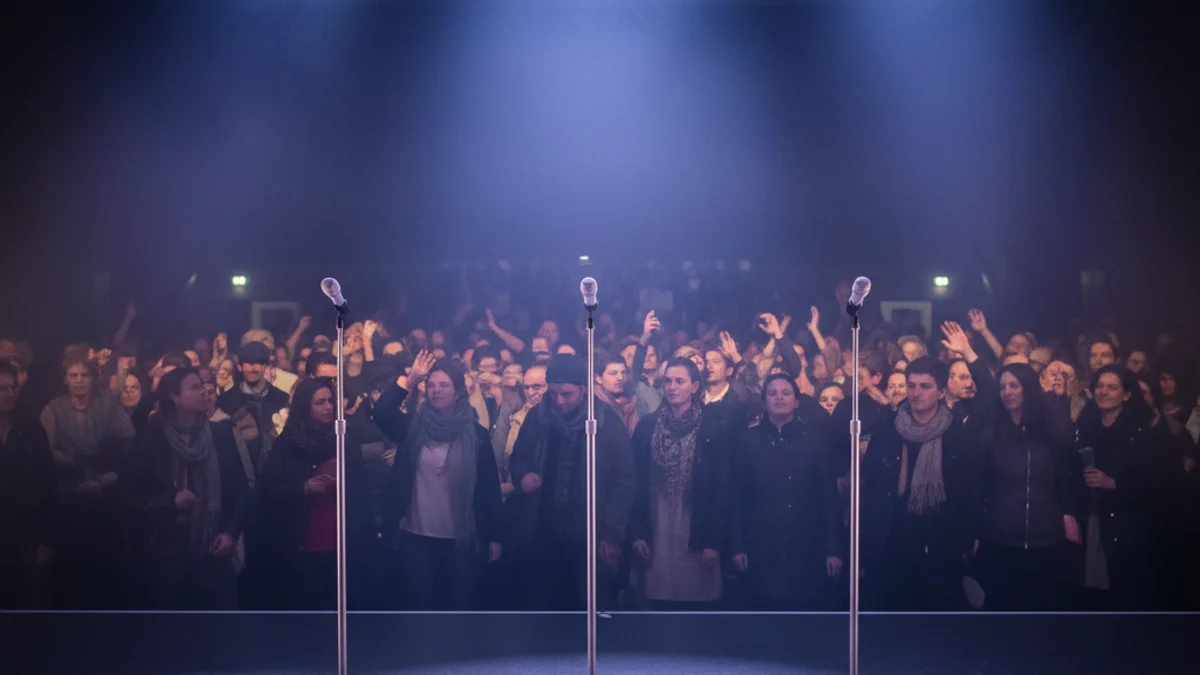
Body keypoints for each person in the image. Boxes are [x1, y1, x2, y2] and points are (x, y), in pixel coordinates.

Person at [860, 322, 996, 611]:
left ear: (942, 391)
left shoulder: (958, 433)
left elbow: (969, 491)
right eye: (911, 386)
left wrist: (964, 539)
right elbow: (870, 484)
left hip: (940, 545)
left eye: (925, 386)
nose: (916, 393)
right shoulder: (888, 427)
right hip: (891, 543)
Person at [373, 352, 505, 610]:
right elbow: (381, 413)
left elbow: (489, 487)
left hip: (462, 539)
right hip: (417, 536)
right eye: (431, 385)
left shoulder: (476, 434)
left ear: (457, 391)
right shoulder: (413, 426)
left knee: (458, 607)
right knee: (421, 606)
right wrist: (410, 380)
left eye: (444, 385)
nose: (436, 390)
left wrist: (496, 536)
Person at [506, 354, 636, 610]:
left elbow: (624, 480)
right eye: (553, 393)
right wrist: (523, 477)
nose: (559, 400)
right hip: (541, 531)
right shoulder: (537, 417)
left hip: (588, 534)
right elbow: (518, 457)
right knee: (541, 609)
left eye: (566, 394)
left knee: (584, 610)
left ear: (583, 389)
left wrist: (610, 533)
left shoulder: (606, 421)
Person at [124, 368, 247, 609]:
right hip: (166, 551)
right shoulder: (151, 438)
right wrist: (170, 501)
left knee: (219, 631)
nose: (203, 391)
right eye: (194, 387)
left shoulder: (221, 433)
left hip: (213, 546)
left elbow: (241, 489)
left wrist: (231, 533)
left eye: (202, 386)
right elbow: (126, 494)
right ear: (174, 396)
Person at [971, 364, 1080, 610]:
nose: (1007, 392)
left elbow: (1065, 477)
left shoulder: (1051, 432)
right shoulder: (991, 434)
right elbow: (979, 487)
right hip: (1001, 539)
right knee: (1001, 610)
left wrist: (1069, 513)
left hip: (1046, 538)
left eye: (1014, 385)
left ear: (1028, 389)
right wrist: (976, 531)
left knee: (1042, 610)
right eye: (1002, 387)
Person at [1075, 365, 1183, 610]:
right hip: (1094, 522)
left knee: (1129, 597)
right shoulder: (1086, 427)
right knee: (1096, 598)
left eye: (1112, 387)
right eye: (1099, 386)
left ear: (1126, 394)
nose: (1103, 392)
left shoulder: (1144, 433)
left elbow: (1163, 483)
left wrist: (1114, 484)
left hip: (1132, 529)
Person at [730, 374, 842, 610]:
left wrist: (833, 549)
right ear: (764, 402)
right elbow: (736, 498)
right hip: (758, 547)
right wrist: (736, 545)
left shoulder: (815, 443)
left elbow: (829, 500)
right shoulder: (746, 442)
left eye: (785, 393)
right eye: (772, 393)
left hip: (806, 548)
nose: (779, 397)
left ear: (797, 401)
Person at [629, 358, 732, 609]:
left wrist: (713, 541)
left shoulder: (713, 427)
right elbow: (635, 483)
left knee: (697, 600)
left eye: (679, 381)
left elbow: (722, 488)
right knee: (658, 597)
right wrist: (638, 532)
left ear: (695, 386)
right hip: (657, 519)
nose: (672, 387)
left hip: (696, 519)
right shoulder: (648, 426)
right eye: (668, 381)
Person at [260, 378, 368, 610]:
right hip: (302, 541)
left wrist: (343, 483)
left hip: (341, 540)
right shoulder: (287, 443)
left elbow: (362, 486)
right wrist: (304, 487)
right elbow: (270, 487)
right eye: (320, 402)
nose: (328, 407)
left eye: (330, 401)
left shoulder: (344, 438)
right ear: (305, 406)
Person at [41, 351, 135, 608]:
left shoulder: (106, 405)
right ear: (65, 379)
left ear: (93, 377)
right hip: (69, 498)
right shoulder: (53, 409)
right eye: (74, 375)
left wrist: (108, 471)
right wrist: (72, 463)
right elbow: (44, 451)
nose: (80, 380)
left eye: (84, 374)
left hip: (108, 497)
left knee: (107, 571)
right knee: (72, 571)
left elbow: (128, 439)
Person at [0, 360, 58, 608]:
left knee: (24, 611)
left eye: (13, 388)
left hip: (25, 537)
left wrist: (46, 539)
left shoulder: (31, 429)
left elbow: (48, 484)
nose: (10, 394)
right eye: (2, 388)